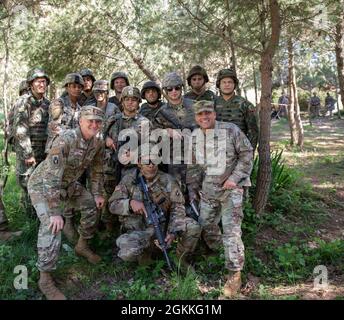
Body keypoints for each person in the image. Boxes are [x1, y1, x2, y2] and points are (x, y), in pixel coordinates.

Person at [28, 105, 105, 300]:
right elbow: (51, 178)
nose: (94, 125)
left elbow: (96, 170)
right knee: (52, 225)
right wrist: (55, 211)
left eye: (98, 122)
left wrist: (96, 194)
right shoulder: (65, 140)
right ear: (80, 121)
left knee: (90, 206)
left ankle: (82, 245)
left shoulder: (97, 143)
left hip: (67, 184)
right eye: (90, 121)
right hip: (43, 186)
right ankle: (45, 278)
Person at [186, 100, 253, 297]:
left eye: (208, 113)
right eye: (200, 114)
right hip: (209, 190)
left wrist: (234, 178)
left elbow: (247, 153)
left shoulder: (230, 130)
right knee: (205, 223)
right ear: (196, 117)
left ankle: (234, 273)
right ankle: (217, 251)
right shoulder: (195, 136)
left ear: (214, 114)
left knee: (231, 231)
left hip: (231, 189)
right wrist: (192, 189)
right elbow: (193, 167)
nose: (204, 117)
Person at [108, 143, 200, 269]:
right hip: (140, 231)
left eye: (155, 160)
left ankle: (180, 260)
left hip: (163, 228)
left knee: (193, 227)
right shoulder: (129, 180)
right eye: (147, 161)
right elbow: (112, 205)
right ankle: (145, 257)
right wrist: (129, 204)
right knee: (127, 252)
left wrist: (172, 232)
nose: (151, 165)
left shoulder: (168, 180)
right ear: (139, 162)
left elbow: (177, 208)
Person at [102, 86, 149, 233]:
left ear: (138, 102)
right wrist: (106, 140)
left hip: (133, 170)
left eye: (134, 100)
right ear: (122, 101)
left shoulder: (144, 123)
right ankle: (109, 230)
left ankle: (128, 231)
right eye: (127, 99)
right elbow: (98, 136)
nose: (130, 103)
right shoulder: (113, 120)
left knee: (126, 199)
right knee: (108, 197)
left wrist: (135, 155)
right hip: (111, 167)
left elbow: (151, 147)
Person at [13, 67, 50, 217]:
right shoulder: (24, 102)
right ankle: (31, 221)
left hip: (43, 152)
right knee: (28, 183)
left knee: (41, 184)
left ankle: (41, 216)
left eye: (44, 82)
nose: (41, 84)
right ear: (31, 84)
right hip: (28, 152)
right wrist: (28, 154)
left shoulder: (48, 104)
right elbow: (20, 130)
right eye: (38, 82)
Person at [214, 68, 259, 152]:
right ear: (219, 85)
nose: (227, 85)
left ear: (235, 84)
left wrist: (248, 153)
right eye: (224, 82)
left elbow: (253, 132)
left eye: (230, 82)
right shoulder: (212, 104)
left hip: (239, 150)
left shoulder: (245, 105)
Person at [46, 73, 84, 151]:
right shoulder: (58, 104)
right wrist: (73, 135)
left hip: (72, 150)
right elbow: (54, 129)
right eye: (74, 86)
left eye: (79, 87)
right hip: (56, 148)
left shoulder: (80, 109)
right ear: (67, 88)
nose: (77, 89)